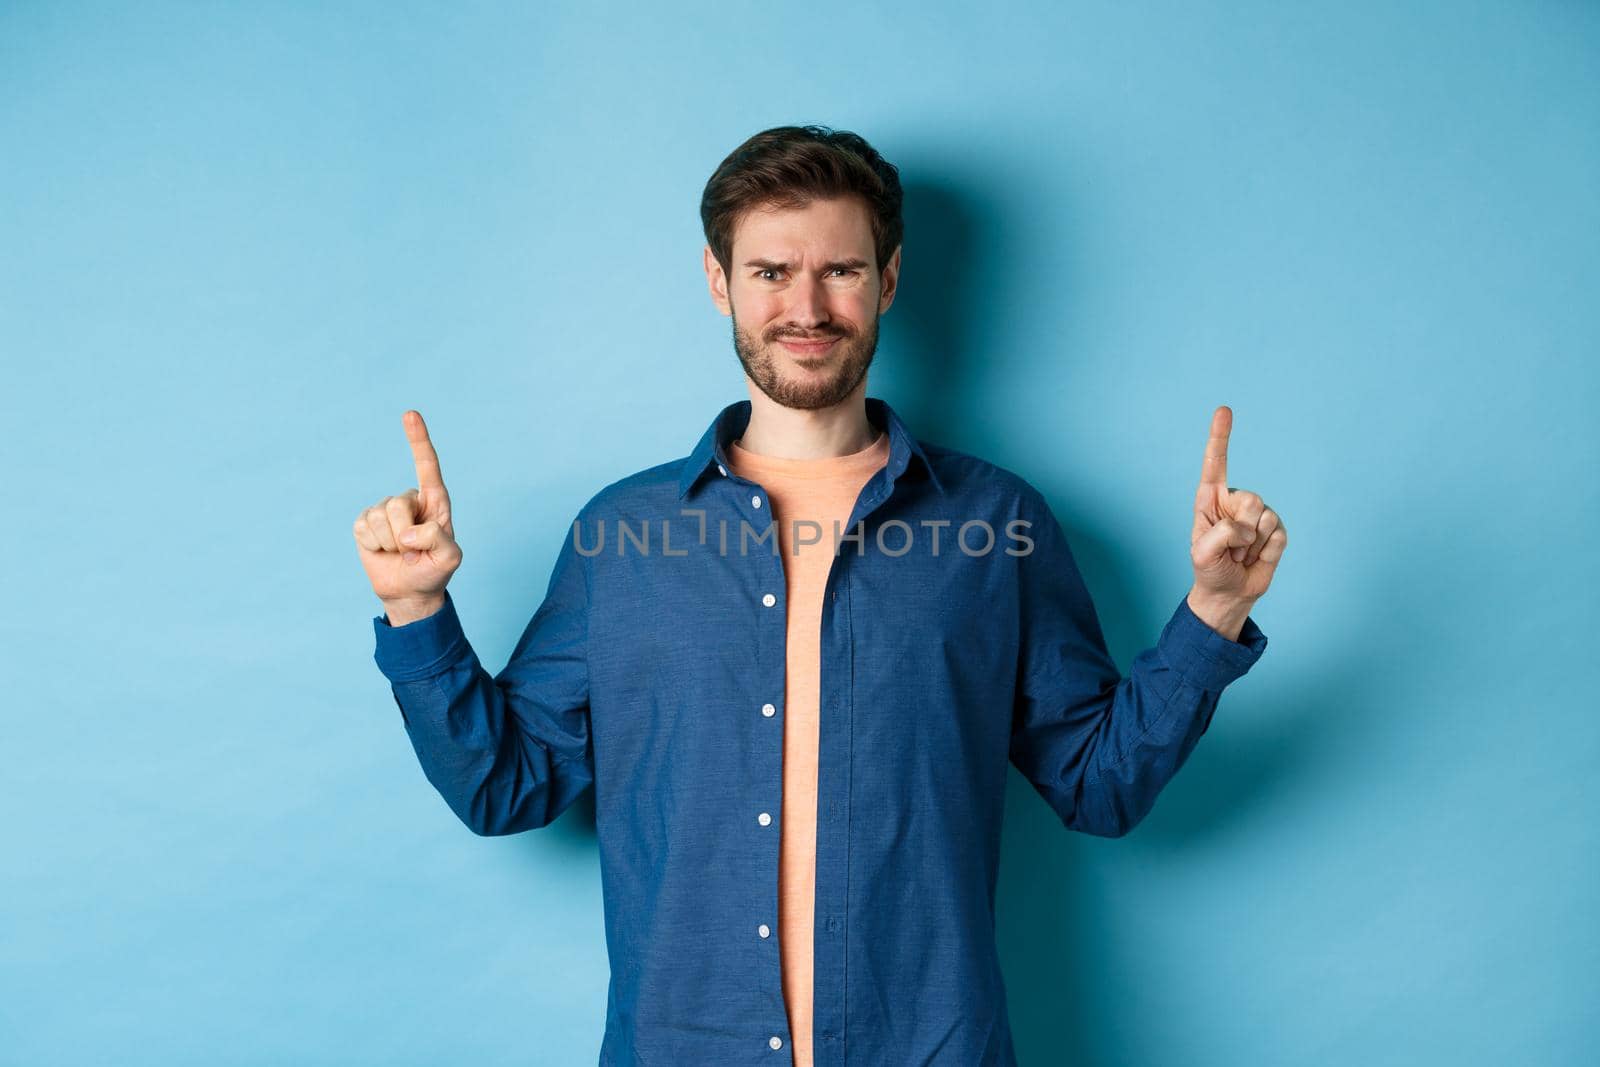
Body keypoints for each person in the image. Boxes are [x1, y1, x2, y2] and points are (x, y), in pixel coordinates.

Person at [352, 124, 1287, 1067]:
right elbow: (503, 786)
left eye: (840, 270)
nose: (806, 307)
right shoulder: (620, 539)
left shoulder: (1000, 524)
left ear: (887, 281)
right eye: (769, 273)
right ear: (718, 281)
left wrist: (1213, 610)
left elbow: (1100, 782)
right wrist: (415, 611)